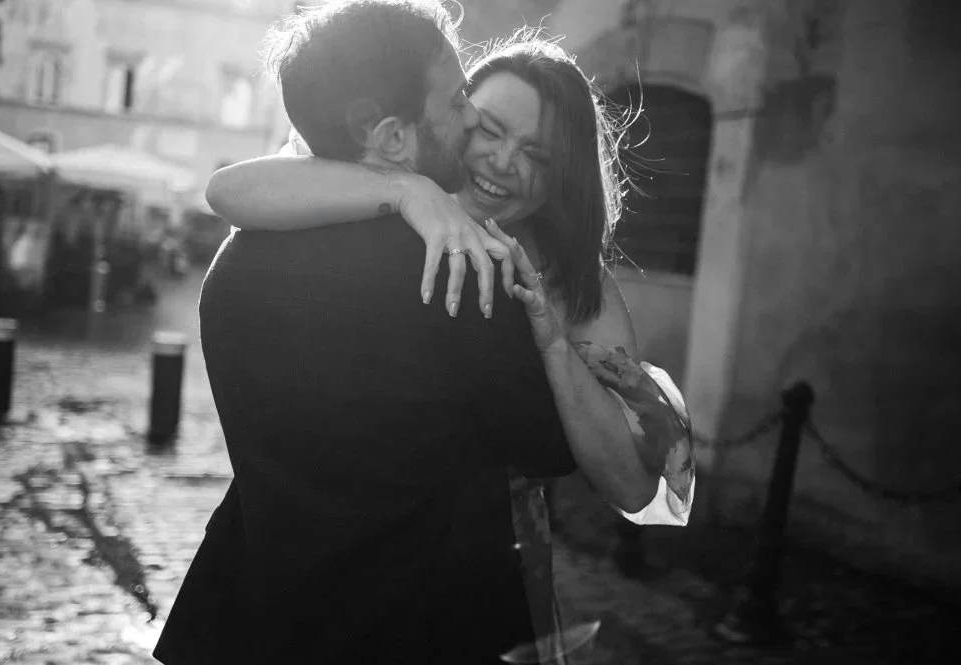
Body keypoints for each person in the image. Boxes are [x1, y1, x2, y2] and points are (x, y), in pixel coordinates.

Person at [204, 29, 697, 661]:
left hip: (476, 569)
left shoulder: (576, 281)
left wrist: (553, 346)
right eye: (488, 127)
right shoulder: (376, 182)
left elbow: (631, 485)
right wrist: (409, 192)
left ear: (564, 176)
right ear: (453, 112)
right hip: (302, 560)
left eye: (537, 154)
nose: (502, 161)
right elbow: (228, 191)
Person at [154, 3, 585, 664]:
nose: (471, 117)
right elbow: (550, 445)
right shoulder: (462, 276)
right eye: (455, 101)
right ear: (392, 139)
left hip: (248, 622)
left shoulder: (230, 268)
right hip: (407, 633)